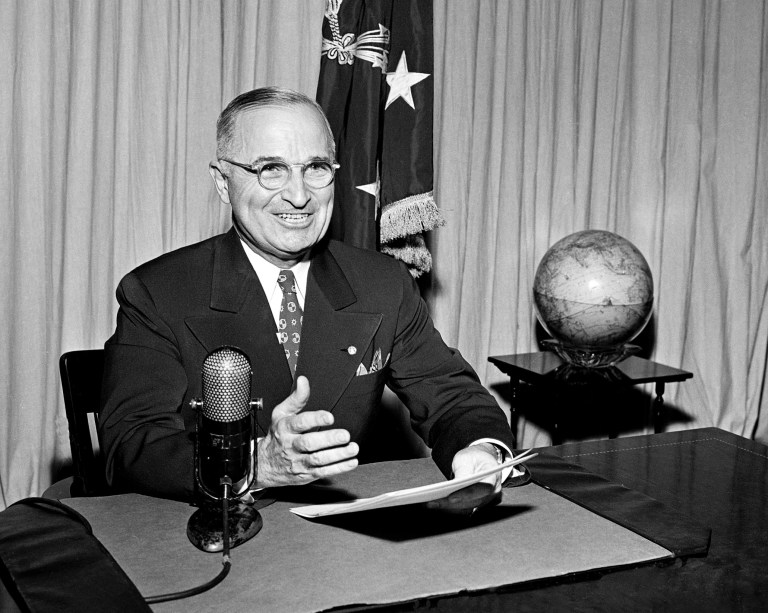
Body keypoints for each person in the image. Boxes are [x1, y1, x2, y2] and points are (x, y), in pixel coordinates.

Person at [98, 86, 518, 512]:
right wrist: (255, 464)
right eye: (271, 170)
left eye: (315, 168)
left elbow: (451, 395)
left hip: (345, 539)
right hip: (212, 529)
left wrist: (478, 451)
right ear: (222, 182)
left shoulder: (382, 282)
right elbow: (130, 445)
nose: (299, 196)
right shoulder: (158, 291)